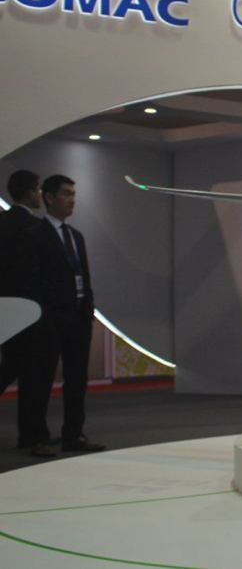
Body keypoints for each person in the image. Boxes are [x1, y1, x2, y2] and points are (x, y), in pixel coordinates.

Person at [15, 175, 105, 456]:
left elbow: (84, 277)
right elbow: (30, 282)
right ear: (49, 197)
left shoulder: (76, 236)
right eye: (66, 193)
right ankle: (36, 438)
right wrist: (45, 315)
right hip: (51, 319)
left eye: (73, 194)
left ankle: (74, 434)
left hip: (78, 318)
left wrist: (87, 309)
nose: (72, 199)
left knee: (77, 379)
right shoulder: (33, 235)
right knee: (40, 380)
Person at [0, 170, 43, 451]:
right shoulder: (34, 227)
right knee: (30, 374)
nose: (39, 195)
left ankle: (32, 435)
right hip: (30, 311)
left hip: (6, 308)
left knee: (11, 365)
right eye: (38, 189)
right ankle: (30, 435)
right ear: (30, 192)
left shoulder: (2, 223)